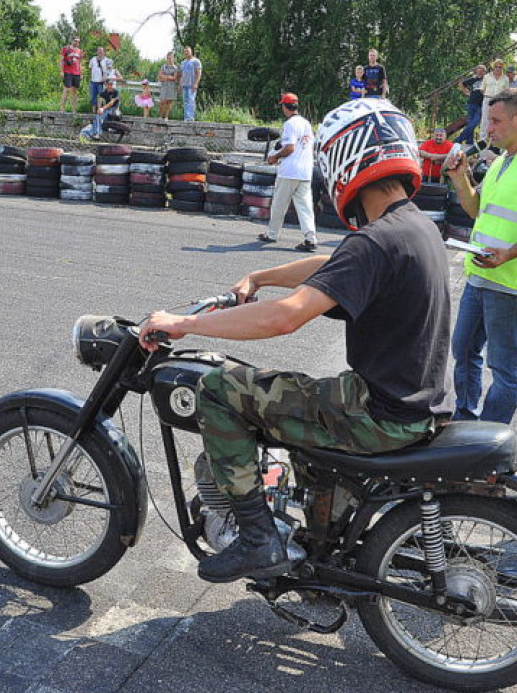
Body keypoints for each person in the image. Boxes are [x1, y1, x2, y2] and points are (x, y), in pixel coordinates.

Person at [139, 97, 451, 583]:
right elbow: (335, 264)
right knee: (298, 397)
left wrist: (184, 324)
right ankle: (318, 537)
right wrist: (261, 276)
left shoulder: (377, 240)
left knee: (220, 388)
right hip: (413, 403)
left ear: (346, 158)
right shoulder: (413, 226)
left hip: (379, 414)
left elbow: (284, 319)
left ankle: (257, 539)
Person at [444, 88, 517, 425]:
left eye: (496, 121)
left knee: (504, 367)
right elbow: (476, 210)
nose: (489, 129)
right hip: (481, 277)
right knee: (464, 350)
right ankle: (465, 420)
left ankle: (491, 436)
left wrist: (509, 254)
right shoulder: (501, 163)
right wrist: (460, 178)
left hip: (510, 284)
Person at [256, 93, 318, 252]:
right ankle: (310, 238)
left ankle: (272, 234)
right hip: (305, 171)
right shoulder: (306, 123)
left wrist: (275, 157)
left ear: (285, 107)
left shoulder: (290, 124)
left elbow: (290, 147)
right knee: (305, 207)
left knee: (279, 205)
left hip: (290, 171)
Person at [479, 59, 509, 139]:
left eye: (500, 67)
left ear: (502, 68)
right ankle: (482, 140)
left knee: (497, 120)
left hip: (499, 101)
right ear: (493, 67)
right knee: (485, 120)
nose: (498, 68)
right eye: (496, 66)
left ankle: (495, 140)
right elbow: (482, 89)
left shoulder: (505, 78)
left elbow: (506, 91)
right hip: (487, 99)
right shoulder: (487, 76)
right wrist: (487, 97)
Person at [457, 65, 486, 144]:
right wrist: (466, 92)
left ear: (484, 72)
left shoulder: (487, 79)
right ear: (476, 72)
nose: (480, 73)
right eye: (478, 71)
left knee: (474, 122)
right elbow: (461, 84)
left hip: (481, 104)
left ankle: (458, 139)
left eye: (482, 71)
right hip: (471, 103)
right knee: (470, 123)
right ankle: (469, 142)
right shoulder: (473, 79)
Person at [59, 36, 83, 114]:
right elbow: (61, 60)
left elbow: (80, 63)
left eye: (78, 41)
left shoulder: (79, 51)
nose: (77, 43)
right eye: (75, 41)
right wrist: (61, 71)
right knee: (66, 90)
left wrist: (81, 73)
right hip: (68, 72)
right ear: (72, 41)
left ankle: (74, 110)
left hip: (77, 73)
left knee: (75, 92)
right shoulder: (65, 49)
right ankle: (62, 109)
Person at [178, 46, 202, 121]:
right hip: (184, 85)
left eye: (187, 51)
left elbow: (199, 73)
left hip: (191, 85)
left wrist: (196, 83)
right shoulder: (182, 63)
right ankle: (186, 118)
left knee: (191, 101)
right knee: (185, 102)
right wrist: (180, 85)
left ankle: (190, 118)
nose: (186, 53)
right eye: (185, 51)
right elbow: (181, 75)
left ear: (191, 52)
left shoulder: (196, 61)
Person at [158, 52, 179, 119]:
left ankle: (166, 117)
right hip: (164, 86)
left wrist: (165, 77)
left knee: (169, 102)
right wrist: (169, 77)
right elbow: (160, 76)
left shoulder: (175, 68)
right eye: (168, 58)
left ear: (173, 58)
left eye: (171, 58)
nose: (169, 59)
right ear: (166, 58)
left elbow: (174, 78)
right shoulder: (163, 66)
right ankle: (160, 116)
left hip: (172, 87)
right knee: (162, 102)